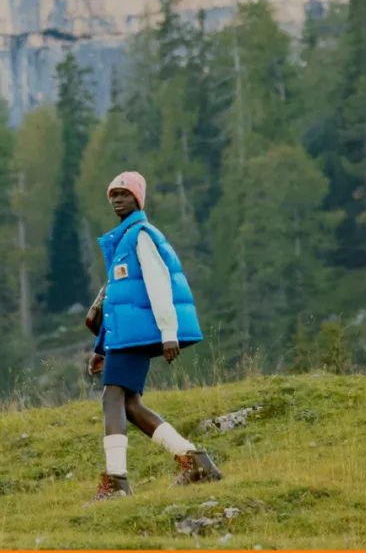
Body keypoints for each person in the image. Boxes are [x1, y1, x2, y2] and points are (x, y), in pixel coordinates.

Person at [88, 172, 221, 501]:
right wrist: (101, 347)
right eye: (113, 195)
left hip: (140, 335)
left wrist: (168, 332)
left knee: (112, 398)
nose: (118, 199)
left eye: (125, 194)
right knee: (130, 405)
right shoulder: (124, 240)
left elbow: (158, 283)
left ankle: (117, 482)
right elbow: (120, 300)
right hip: (125, 336)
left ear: (138, 199)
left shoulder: (140, 235)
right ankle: (195, 462)